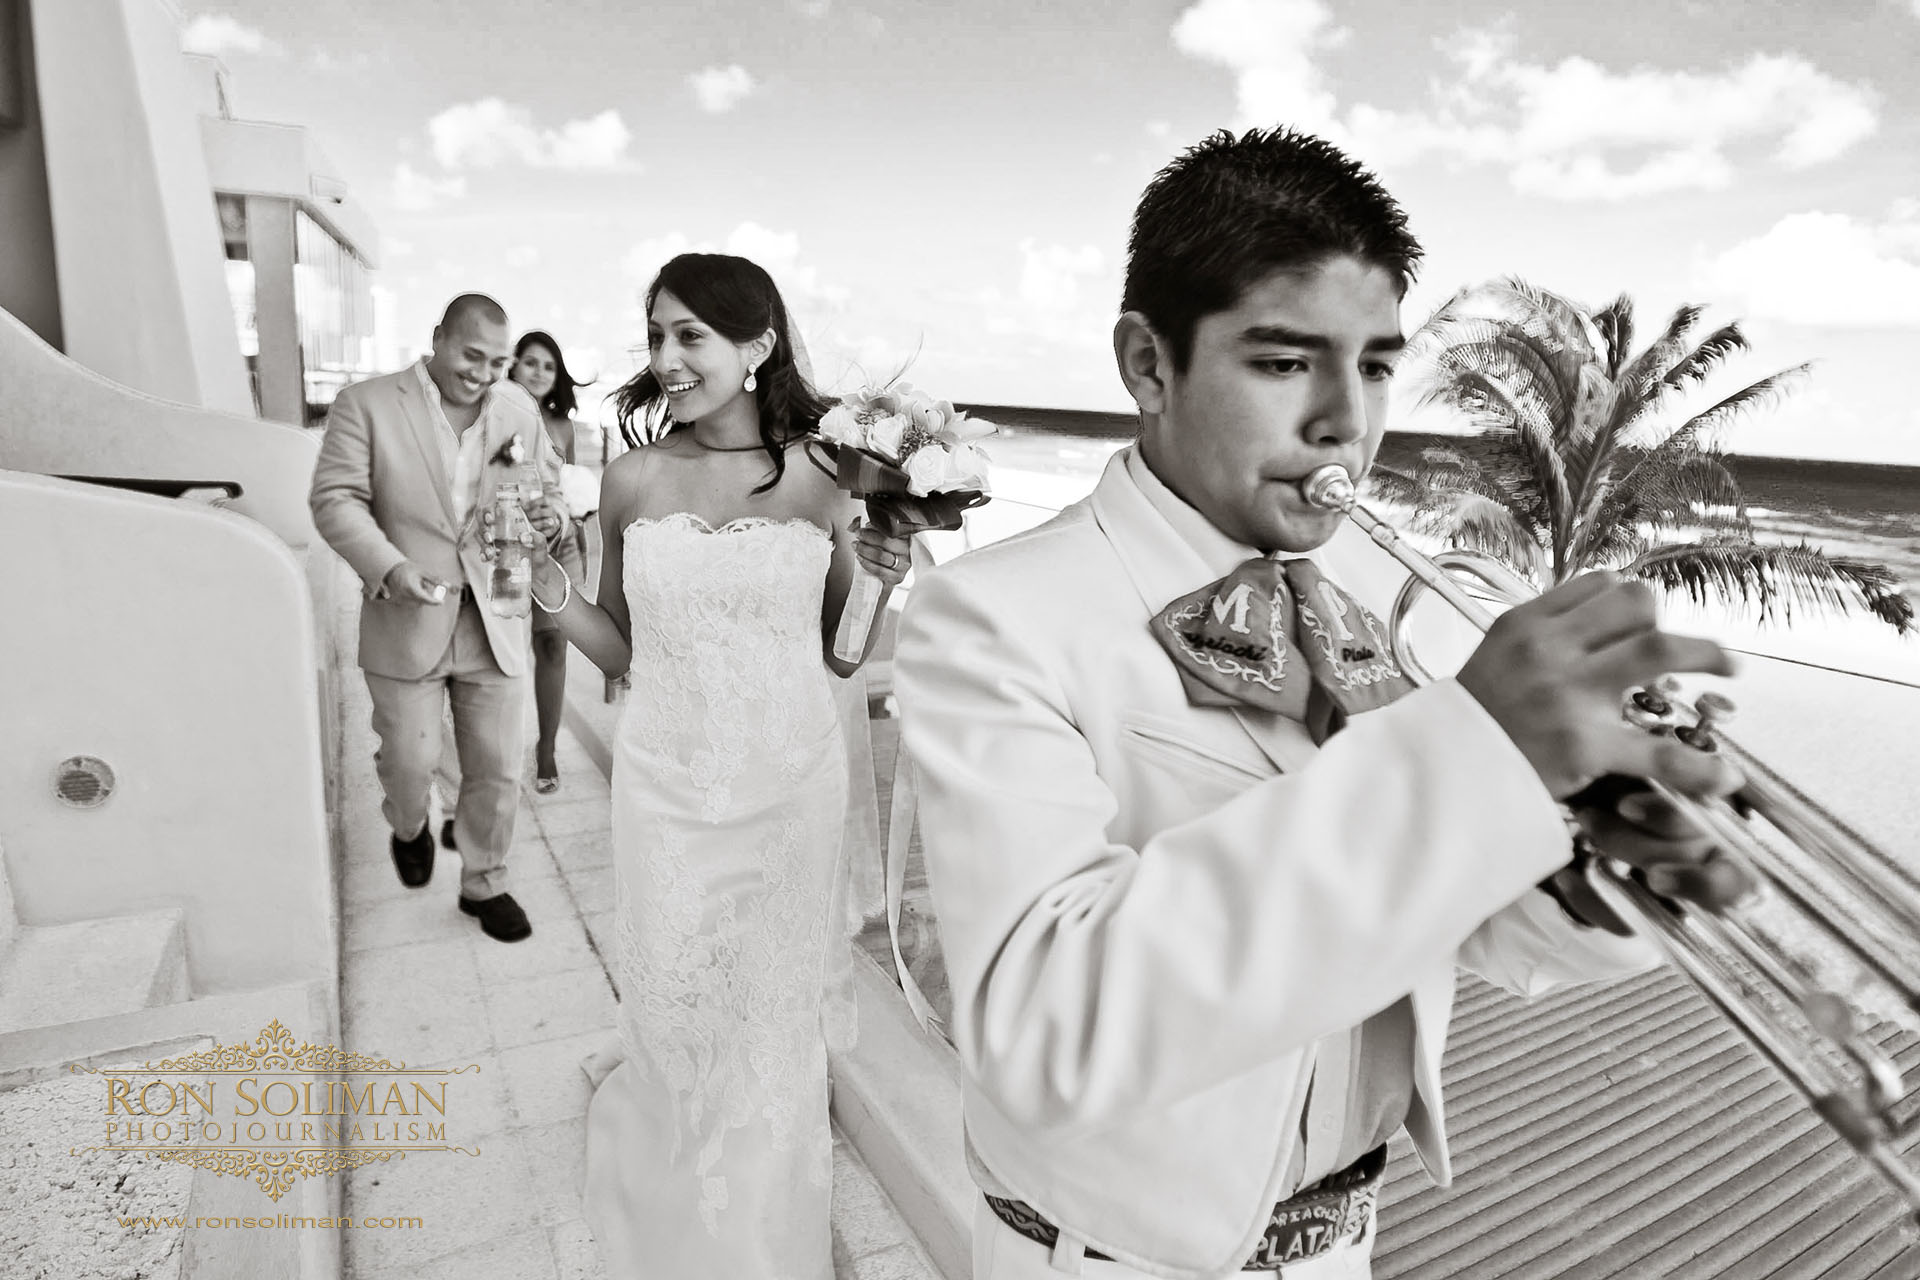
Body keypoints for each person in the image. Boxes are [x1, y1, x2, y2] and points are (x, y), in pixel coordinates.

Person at [890, 127, 1749, 1280]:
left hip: (1350, 1237)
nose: (1348, 417)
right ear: (1148, 363)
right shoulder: (991, 614)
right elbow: (1044, 1021)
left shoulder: (1384, 605)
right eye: (1285, 361)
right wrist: (1469, 752)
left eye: (1379, 364)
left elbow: (1457, 913)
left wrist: (1607, 875)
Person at [525, 253, 914, 1278]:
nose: (666, 358)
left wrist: (881, 574)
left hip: (790, 782)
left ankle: (759, 1228)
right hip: (663, 782)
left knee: (770, 1017)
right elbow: (621, 646)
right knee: (671, 998)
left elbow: (842, 652)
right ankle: (667, 1174)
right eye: (656, 335)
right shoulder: (630, 477)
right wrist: (549, 591)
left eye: (689, 334)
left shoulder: (827, 476)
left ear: (758, 344)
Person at [309, 293, 568, 945]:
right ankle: (407, 825)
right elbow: (335, 499)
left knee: (495, 766)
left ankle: (485, 880)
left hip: (497, 609)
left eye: (497, 361)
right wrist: (391, 567)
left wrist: (552, 518)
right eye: (471, 355)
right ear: (438, 340)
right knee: (410, 759)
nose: (483, 373)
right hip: (406, 609)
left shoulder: (518, 409)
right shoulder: (366, 405)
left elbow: (547, 490)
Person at [508, 329, 593, 794]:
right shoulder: (493, 416)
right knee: (499, 647)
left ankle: (547, 749)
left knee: (552, 647)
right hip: (504, 542)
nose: (540, 372)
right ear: (514, 365)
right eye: (532, 362)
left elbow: (575, 488)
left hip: (560, 546)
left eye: (549, 366)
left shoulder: (563, 427)